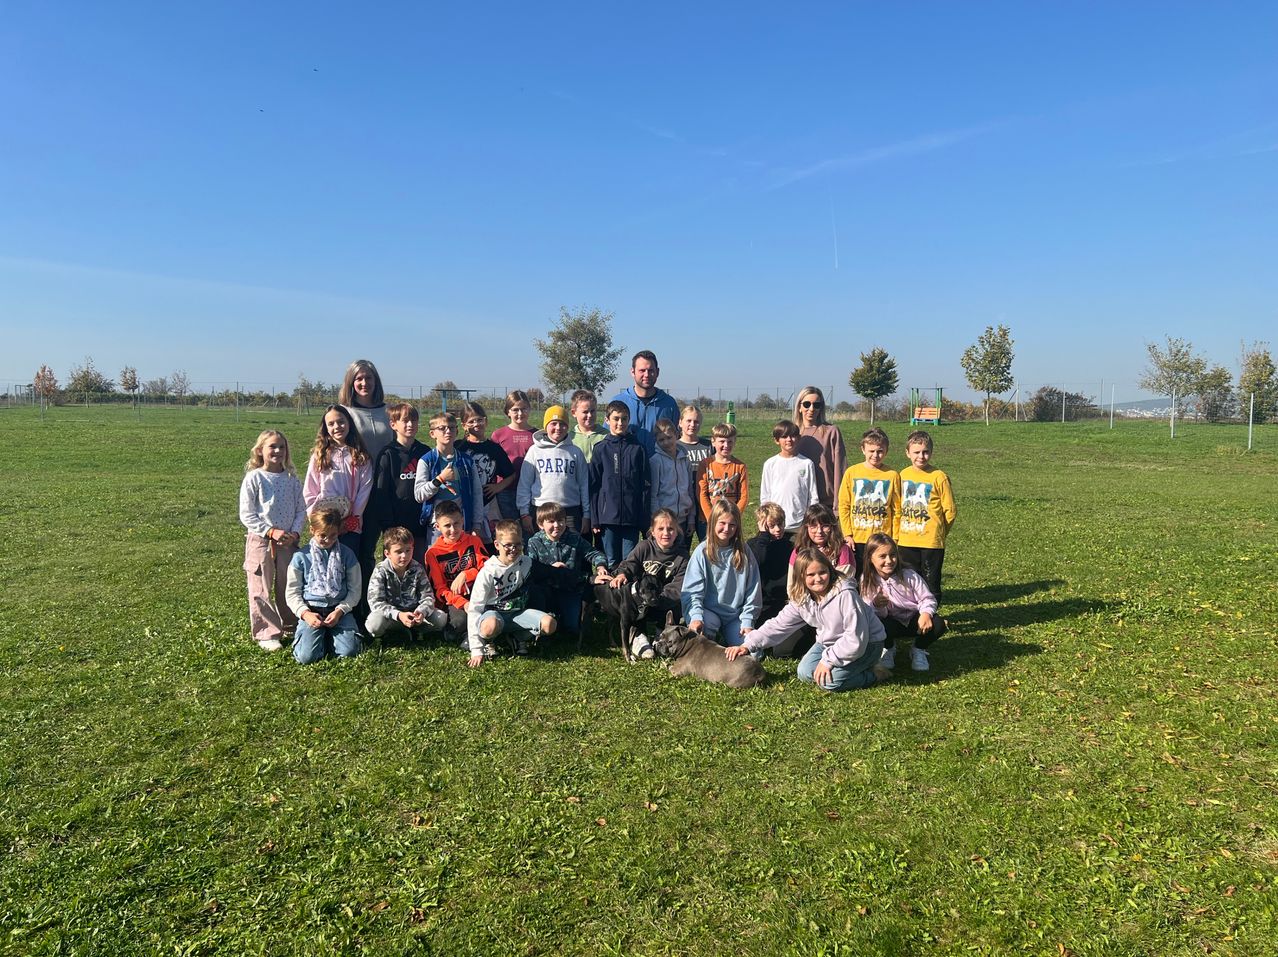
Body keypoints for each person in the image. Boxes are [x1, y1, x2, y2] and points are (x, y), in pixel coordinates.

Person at [726, 547, 886, 692]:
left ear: (830, 570)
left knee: (830, 682)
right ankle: (847, 668)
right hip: (829, 642)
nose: (818, 579)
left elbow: (856, 638)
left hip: (867, 644)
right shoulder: (802, 598)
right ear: (801, 576)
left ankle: (875, 674)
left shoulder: (846, 594)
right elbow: (778, 625)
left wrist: (828, 662)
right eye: (810, 574)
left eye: (822, 572)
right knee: (805, 673)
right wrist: (748, 644)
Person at [239, 430, 305, 651]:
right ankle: (266, 631)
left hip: (287, 541)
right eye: (272, 447)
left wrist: (294, 534)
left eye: (281, 447)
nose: (277, 451)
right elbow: (247, 514)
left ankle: (291, 624)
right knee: (261, 585)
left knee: (289, 583)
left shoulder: (291, 479)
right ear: (260, 451)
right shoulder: (254, 478)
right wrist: (270, 532)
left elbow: (300, 510)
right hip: (261, 540)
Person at [466, 519, 557, 665]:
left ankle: (517, 637)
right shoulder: (488, 571)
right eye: (508, 545)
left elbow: (553, 573)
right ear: (496, 545)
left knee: (550, 624)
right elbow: (475, 608)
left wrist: (590, 578)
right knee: (490, 626)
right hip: (494, 615)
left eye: (517, 544)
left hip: (517, 613)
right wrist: (476, 649)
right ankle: (490, 641)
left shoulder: (527, 562)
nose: (513, 549)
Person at [859, 532, 947, 672]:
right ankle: (888, 648)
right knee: (874, 624)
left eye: (892, 555)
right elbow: (867, 611)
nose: (889, 561)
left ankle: (919, 648)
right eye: (882, 556)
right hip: (890, 622)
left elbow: (927, 597)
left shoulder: (909, 575)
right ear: (870, 558)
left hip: (914, 620)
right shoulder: (867, 579)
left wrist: (926, 613)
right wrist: (877, 605)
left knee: (938, 624)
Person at [610, 507, 690, 658]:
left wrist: (658, 598)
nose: (666, 533)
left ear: (677, 531)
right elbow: (631, 563)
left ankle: (662, 634)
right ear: (652, 531)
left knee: (676, 603)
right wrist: (622, 573)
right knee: (631, 600)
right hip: (641, 601)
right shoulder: (644, 547)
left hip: (663, 602)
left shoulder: (682, 556)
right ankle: (638, 634)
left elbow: (680, 584)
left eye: (671, 529)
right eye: (661, 528)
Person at [680, 500, 762, 648]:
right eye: (722, 523)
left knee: (753, 652)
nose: (726, 529)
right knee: (701, 645)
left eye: (732, 525)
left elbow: (753, 590)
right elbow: (692, 592)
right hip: (709, 613)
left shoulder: (744, 552)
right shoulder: (702, 552)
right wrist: (696, 616)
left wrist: (748, 620)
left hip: (735, 615)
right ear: (713, 523)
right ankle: (712, 636)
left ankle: (726, 636)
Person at [286, 507, 362, 664]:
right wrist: (306, 614)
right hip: (312, 611)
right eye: (323, 535)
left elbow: (355, 589)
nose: (328, 540)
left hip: (338, 611)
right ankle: (319, 636)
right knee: (307, 658)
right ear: (312, 530)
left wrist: (341, 611)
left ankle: (331, 636)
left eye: (333, 535)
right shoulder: (300, 557)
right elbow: (292, 592)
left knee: (349, 653)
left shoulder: (347, 555)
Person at [526, 502, 610, 637]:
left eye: (560, 521)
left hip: (570, 588)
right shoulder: (534, 542)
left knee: (572, 628)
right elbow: (531, 569)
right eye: (551, 521)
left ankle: (565, 622)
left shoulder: (574, 538)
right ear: (541, 524)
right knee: (546, 625)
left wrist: (600, 565)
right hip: (546, 590)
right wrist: (550, 569)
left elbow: (594, 553)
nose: (556, 525)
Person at [303, 405, 372, 558]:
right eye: (331, 424)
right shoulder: (319, 455)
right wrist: (314, 517)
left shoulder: (360, 456)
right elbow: (310, 489)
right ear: (325, 428)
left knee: (348, 565)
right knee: (322, 564)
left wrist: (352, 517)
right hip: (324, 524)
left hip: (350, 525)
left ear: (349, 423)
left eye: (341, 422)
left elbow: (365, 489)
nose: (337, 427)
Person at [895, 430, 956, 602]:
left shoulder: (939, 477)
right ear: (907, 453)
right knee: (908, 579)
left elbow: (950, 511)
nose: (921, 456)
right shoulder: (902, 475)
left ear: (931, 452)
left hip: (931, 541)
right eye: (916, 452)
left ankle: (932, 616)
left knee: (931, 581)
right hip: (906, 539)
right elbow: (897, 506)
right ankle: (912, 614)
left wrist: (940, 532)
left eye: (925, 451)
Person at [590, 400, 650, 567]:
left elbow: (645, 486)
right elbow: (594, 486)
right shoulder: (601, 449)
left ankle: (626, 593)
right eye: (616, 418)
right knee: (610, 561)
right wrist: (595, 518)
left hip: (631, 518)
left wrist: (644, 519)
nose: (620, 423)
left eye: (624, 419)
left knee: (629, 561)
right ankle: (608, 593)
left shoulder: (638, 449)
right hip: (607, 518)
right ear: (607, 420)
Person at [414, 411, 488, 546]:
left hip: (462, 524)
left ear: (457, 431)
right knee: (438, 563)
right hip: (437, 527)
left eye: (452, 428)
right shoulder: (426, 461)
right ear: (432, 434)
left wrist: (477, 525)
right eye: (442, 428)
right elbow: (419, 495)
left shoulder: (466, 461)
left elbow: (477, 493)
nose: (447, 431)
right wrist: (440, 479)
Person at [372, 402, 431, 562]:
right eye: (405, 421)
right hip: (396, 526)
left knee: (419, 567)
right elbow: (381, 493)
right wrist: (388, 527)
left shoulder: (425, 452)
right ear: (393, 424)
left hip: (421, 525)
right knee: (397, 569)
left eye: (414, 420)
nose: (410, 424)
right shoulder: (387, 454)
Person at [365, 526, 447, 642]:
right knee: (374, 624)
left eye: (408, 550)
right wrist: (398, 615)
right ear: (387, 553)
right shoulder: (381, 570)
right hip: (391, 617)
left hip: (413, 615)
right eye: (398, 552)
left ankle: (415, 630)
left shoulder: (417, 568)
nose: (404, 556)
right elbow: (376, 602)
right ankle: (393, 633)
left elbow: (428, 597)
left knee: (441, 618)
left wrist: (421, 612)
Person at [837, 427, 902, 572]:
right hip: (858, 537)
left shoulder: (892, 475)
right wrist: (847, 534)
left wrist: (895, 537)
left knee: (879, 575)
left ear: (886, 450)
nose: (875, 455)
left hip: (882, 538)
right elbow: (844, 505)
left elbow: (897, 509)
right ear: (863, 449)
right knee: (858, 574)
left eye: (880, 451)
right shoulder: (852, 472)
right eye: (871, 451)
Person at [518, 405, 590, 535]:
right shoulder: (535, 451)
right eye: (553, 424)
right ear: (546, 426)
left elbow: (584, 485)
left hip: (570, 512)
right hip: (541, 511)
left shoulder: (575, 452)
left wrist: (586, 514)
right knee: (540, 551)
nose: (558, 428)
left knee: (572, 552)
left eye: (562, 424)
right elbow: (524, 484)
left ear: (567, 426)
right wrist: (524, 513)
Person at [424, 501, 488, 637]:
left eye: (457, 523)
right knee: (459, 623)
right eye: (447, 525)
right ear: (437, 527)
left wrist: (466, 574)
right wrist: (463, 603)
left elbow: (487, 570)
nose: (453, 530)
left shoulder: (474, 541)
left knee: (490, 613)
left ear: (463, 520)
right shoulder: (433, 553)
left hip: (478, 592)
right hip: (454, 599)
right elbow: (439, 590)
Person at [610, 350, 680, 455]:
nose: (646, 375)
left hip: (660, 468)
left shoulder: (669, 404)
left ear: (657, 372)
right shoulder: (618, 402)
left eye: (651, 370)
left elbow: (677, 438)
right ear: (632, 372)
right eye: (642, 370)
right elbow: (609, 439)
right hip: (627, 468)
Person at [459, 401, 515, 529]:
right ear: (464, 425)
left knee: (487, 540)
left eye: (480, 420)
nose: (476, 424)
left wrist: (497, 487)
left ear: (486, 421)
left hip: (487, 503)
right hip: (463, 502)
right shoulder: (459, 447)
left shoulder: (494, 449)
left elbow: (511, 474)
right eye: (471, 421)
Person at [758, 419, 819, 534]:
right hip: (775, 524)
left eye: (792, 436)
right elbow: (765, 496)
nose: (789, 440)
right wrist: (767, 518)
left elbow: (813, 496)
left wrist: (809, 520)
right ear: (777, 440)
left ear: (798, 438)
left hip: (799, 524)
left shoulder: (806, 463)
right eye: (784, 437)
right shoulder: (770, 464)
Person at [793, 386, 847, 509]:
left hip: (825, 502)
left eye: (816, 405)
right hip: (798, 501)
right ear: (799, 407)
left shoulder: (831, 431)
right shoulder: (791, 434)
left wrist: (838, 504)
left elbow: (840, 468)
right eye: (807, 404)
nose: (811, 409)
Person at [747, 502, 795, 628]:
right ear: (762, 526)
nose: (778, 529)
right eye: (772, 526)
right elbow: (758, 561)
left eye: (780, 524)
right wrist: (763, 537)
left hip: (783, 600)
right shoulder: (754, 545)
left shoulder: (789, 546)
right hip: (763, 602)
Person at [491, 390, 536, 522]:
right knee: (509, 531)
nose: (520, 413)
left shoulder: (537, 435)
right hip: (505, 491)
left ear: (529, 409)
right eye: (515, 409)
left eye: (524, 409)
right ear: (508, 411)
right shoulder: (499, 435)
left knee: (529, 531)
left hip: (530, 491)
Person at [339, 359, 393, 465]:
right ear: (351, 382)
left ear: (375, 381)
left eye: (368, 378)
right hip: (356, 476)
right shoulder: (343, 412)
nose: (364, 383)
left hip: (387, 476)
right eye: (359, 379)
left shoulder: (389, 411)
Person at [649, 418, 695, 541]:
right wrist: (656, 521)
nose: (666, 442)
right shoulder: (655, 461)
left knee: (683, 556)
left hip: (683, 520)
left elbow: (690, 490)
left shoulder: (685, 459)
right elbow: (654, 494)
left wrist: (691, 519)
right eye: (661, 440)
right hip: (665, 523)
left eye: (669, 437)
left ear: (676, 435)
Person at [696, 422, 749, 528]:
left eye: (730, 442)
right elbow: (701, 493)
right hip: (708, 519)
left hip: (730, 521)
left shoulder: (740, 466)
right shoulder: (705, 464)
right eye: (722, 441)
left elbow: (744, 496)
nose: (726, 445)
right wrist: (712, 518)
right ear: (713, 441)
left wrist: (733, 516)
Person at [677, 405, 712, 542]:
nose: (692, 425)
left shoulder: (708, 446)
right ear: (680, 422)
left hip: (705, 503)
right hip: (683, 504)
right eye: (689, 421)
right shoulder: (674, 446)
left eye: (696, 421)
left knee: (709, 543)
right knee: (682, 546)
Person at [790, 503, 855, 577]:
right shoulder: (799, 550)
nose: (819, 531)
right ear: (806, 527)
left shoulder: (842, 550)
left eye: (825, 526)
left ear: (832, 527)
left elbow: (844, 581)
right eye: (813, 526)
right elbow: (792, 583)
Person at [569, 389, 608, 463]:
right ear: (574, 413)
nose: (589, 415)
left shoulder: (606, 436)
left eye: (592, 411)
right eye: (585, 412)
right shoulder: (570, 438)